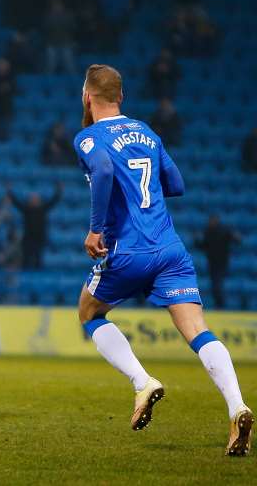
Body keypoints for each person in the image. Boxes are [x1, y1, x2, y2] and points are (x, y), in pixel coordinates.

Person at [74, 64, 252, 455]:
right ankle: (237, 405)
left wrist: (96, 228)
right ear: (122, 97)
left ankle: (142, 382)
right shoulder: (149, 132)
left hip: (126, 250)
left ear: (87, 97)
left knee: (89, 313)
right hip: (169, 249)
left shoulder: (88, 137)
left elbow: (104, 169)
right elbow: (177, 185)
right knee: (198, 332)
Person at [8, 184, 62, 269]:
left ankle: (38, 278)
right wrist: (9, 191)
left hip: (39, 239)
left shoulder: (43, 209)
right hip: (27, 239)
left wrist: (59, 191)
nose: (34, 200)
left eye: (36, 198)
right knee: (26, 260)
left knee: (38, 261)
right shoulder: (26, 209)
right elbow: (16, 203)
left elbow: (53, 201)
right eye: (32, 198)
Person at [196, 215, 242, 309]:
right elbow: (202, 246)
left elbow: (237, 240)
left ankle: (220, 304)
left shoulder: (224, 231)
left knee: (217, 284)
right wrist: (196, 240)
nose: (212, 222)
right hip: (212, 262)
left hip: (222, 262)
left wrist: (236, 237)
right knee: (215, 284)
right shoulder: (208, 232)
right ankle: (219, 304)